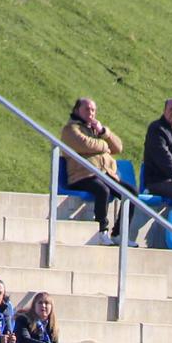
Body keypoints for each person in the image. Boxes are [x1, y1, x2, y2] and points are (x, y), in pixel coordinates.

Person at [61, 96, 126, 243]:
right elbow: (84, 144)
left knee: (131, 194)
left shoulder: (95, 130)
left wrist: (103, 132)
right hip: (81, 176)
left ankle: (118, 233)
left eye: (93, 110)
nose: (90, 113)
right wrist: (104, 146)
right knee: (102, 190)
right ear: (77, 110)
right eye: (87, 109)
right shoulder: (70, 129)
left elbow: (118, 147)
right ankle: (102, 231)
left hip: (103, 174)